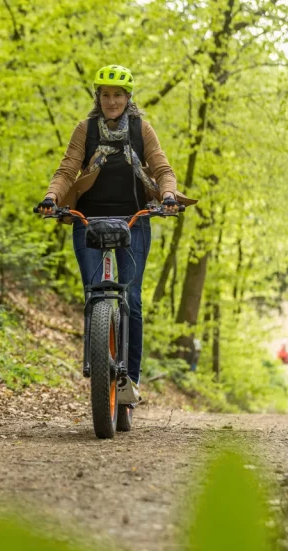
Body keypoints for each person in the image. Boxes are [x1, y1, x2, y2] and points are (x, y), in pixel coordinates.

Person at [37, 64, 195, 399]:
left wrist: (167, 194)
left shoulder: (141, 128)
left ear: (128, 98)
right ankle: (97, 358)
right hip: (87, 219)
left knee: (132, 298)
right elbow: (67, 169)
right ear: (98, 97)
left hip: (134, 218)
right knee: (94, 294)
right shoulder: (86, 129)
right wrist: (52, 197)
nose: (112, 101)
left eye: (118, 95)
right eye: (106, 95)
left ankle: (130, 382)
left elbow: (162, 167)